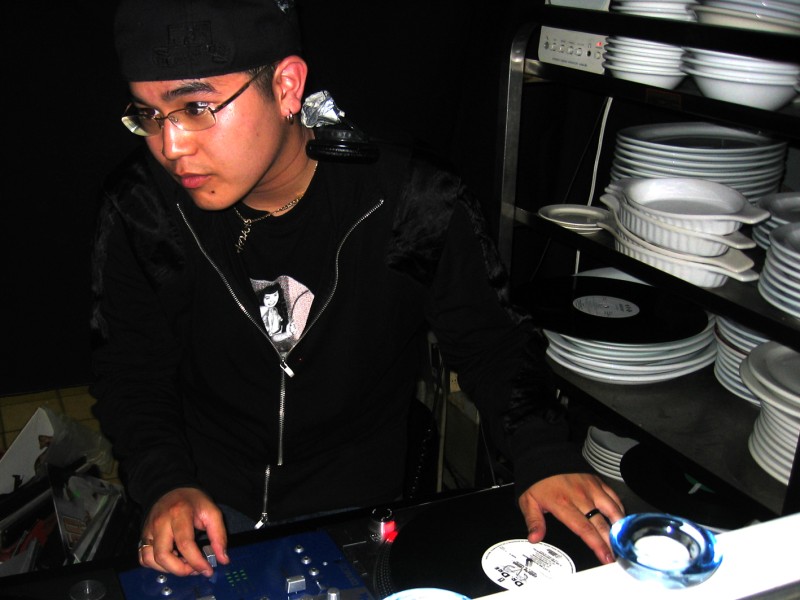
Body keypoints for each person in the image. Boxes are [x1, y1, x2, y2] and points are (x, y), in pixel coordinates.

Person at [90, 0, 624, 580]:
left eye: (196, 108)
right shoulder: (143, 207)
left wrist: (543, 454)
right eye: (149, 115)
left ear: (287, 86)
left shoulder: (410, 198)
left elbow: (491, 342)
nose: (170, 146)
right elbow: (131, 368)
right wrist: (164, 481)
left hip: (355, 504)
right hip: (203, 494)